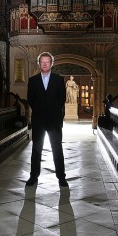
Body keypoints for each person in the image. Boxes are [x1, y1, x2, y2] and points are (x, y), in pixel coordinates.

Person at [26, 52, 68, 187]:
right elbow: (30, 100)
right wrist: (41, 110)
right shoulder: (33, 80)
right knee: (36, 149)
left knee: (57, 148)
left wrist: (52, 110)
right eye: (42, 62)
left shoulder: (59, 79)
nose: (44, 64)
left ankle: (61, 177)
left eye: (47, 62)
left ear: (52, 64)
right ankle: (33, 176)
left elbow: (62, 99)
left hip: (54, 120)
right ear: (39, 64)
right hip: (38, 120)